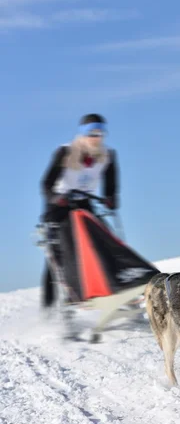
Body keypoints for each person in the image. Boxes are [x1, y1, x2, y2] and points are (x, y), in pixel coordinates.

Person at [40, 113, 120, 307]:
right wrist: (55, 198)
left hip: (84, 203)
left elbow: (111, 185)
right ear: (83, 134)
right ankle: (51, 305)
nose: (96, 137)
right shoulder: (65, 152)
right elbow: (46, 183)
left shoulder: (107, 156)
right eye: (92, 133)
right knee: (58, 252)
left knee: (104, 240)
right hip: (59, 205)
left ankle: (115, 288)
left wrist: (110, 199)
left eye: (100, 133)